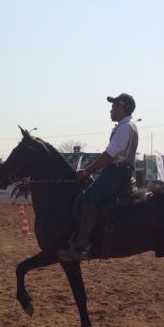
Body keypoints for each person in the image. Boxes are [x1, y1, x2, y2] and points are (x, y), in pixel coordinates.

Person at [58, 93, 139, 261]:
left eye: (113, 107)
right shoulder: (126, 125)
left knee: (88, 198)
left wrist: (87, 171)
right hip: (117, 171)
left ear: (122, 107)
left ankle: (80, 246)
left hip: (117, 171)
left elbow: (110, 154)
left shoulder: (125, 127)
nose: (110, 110)